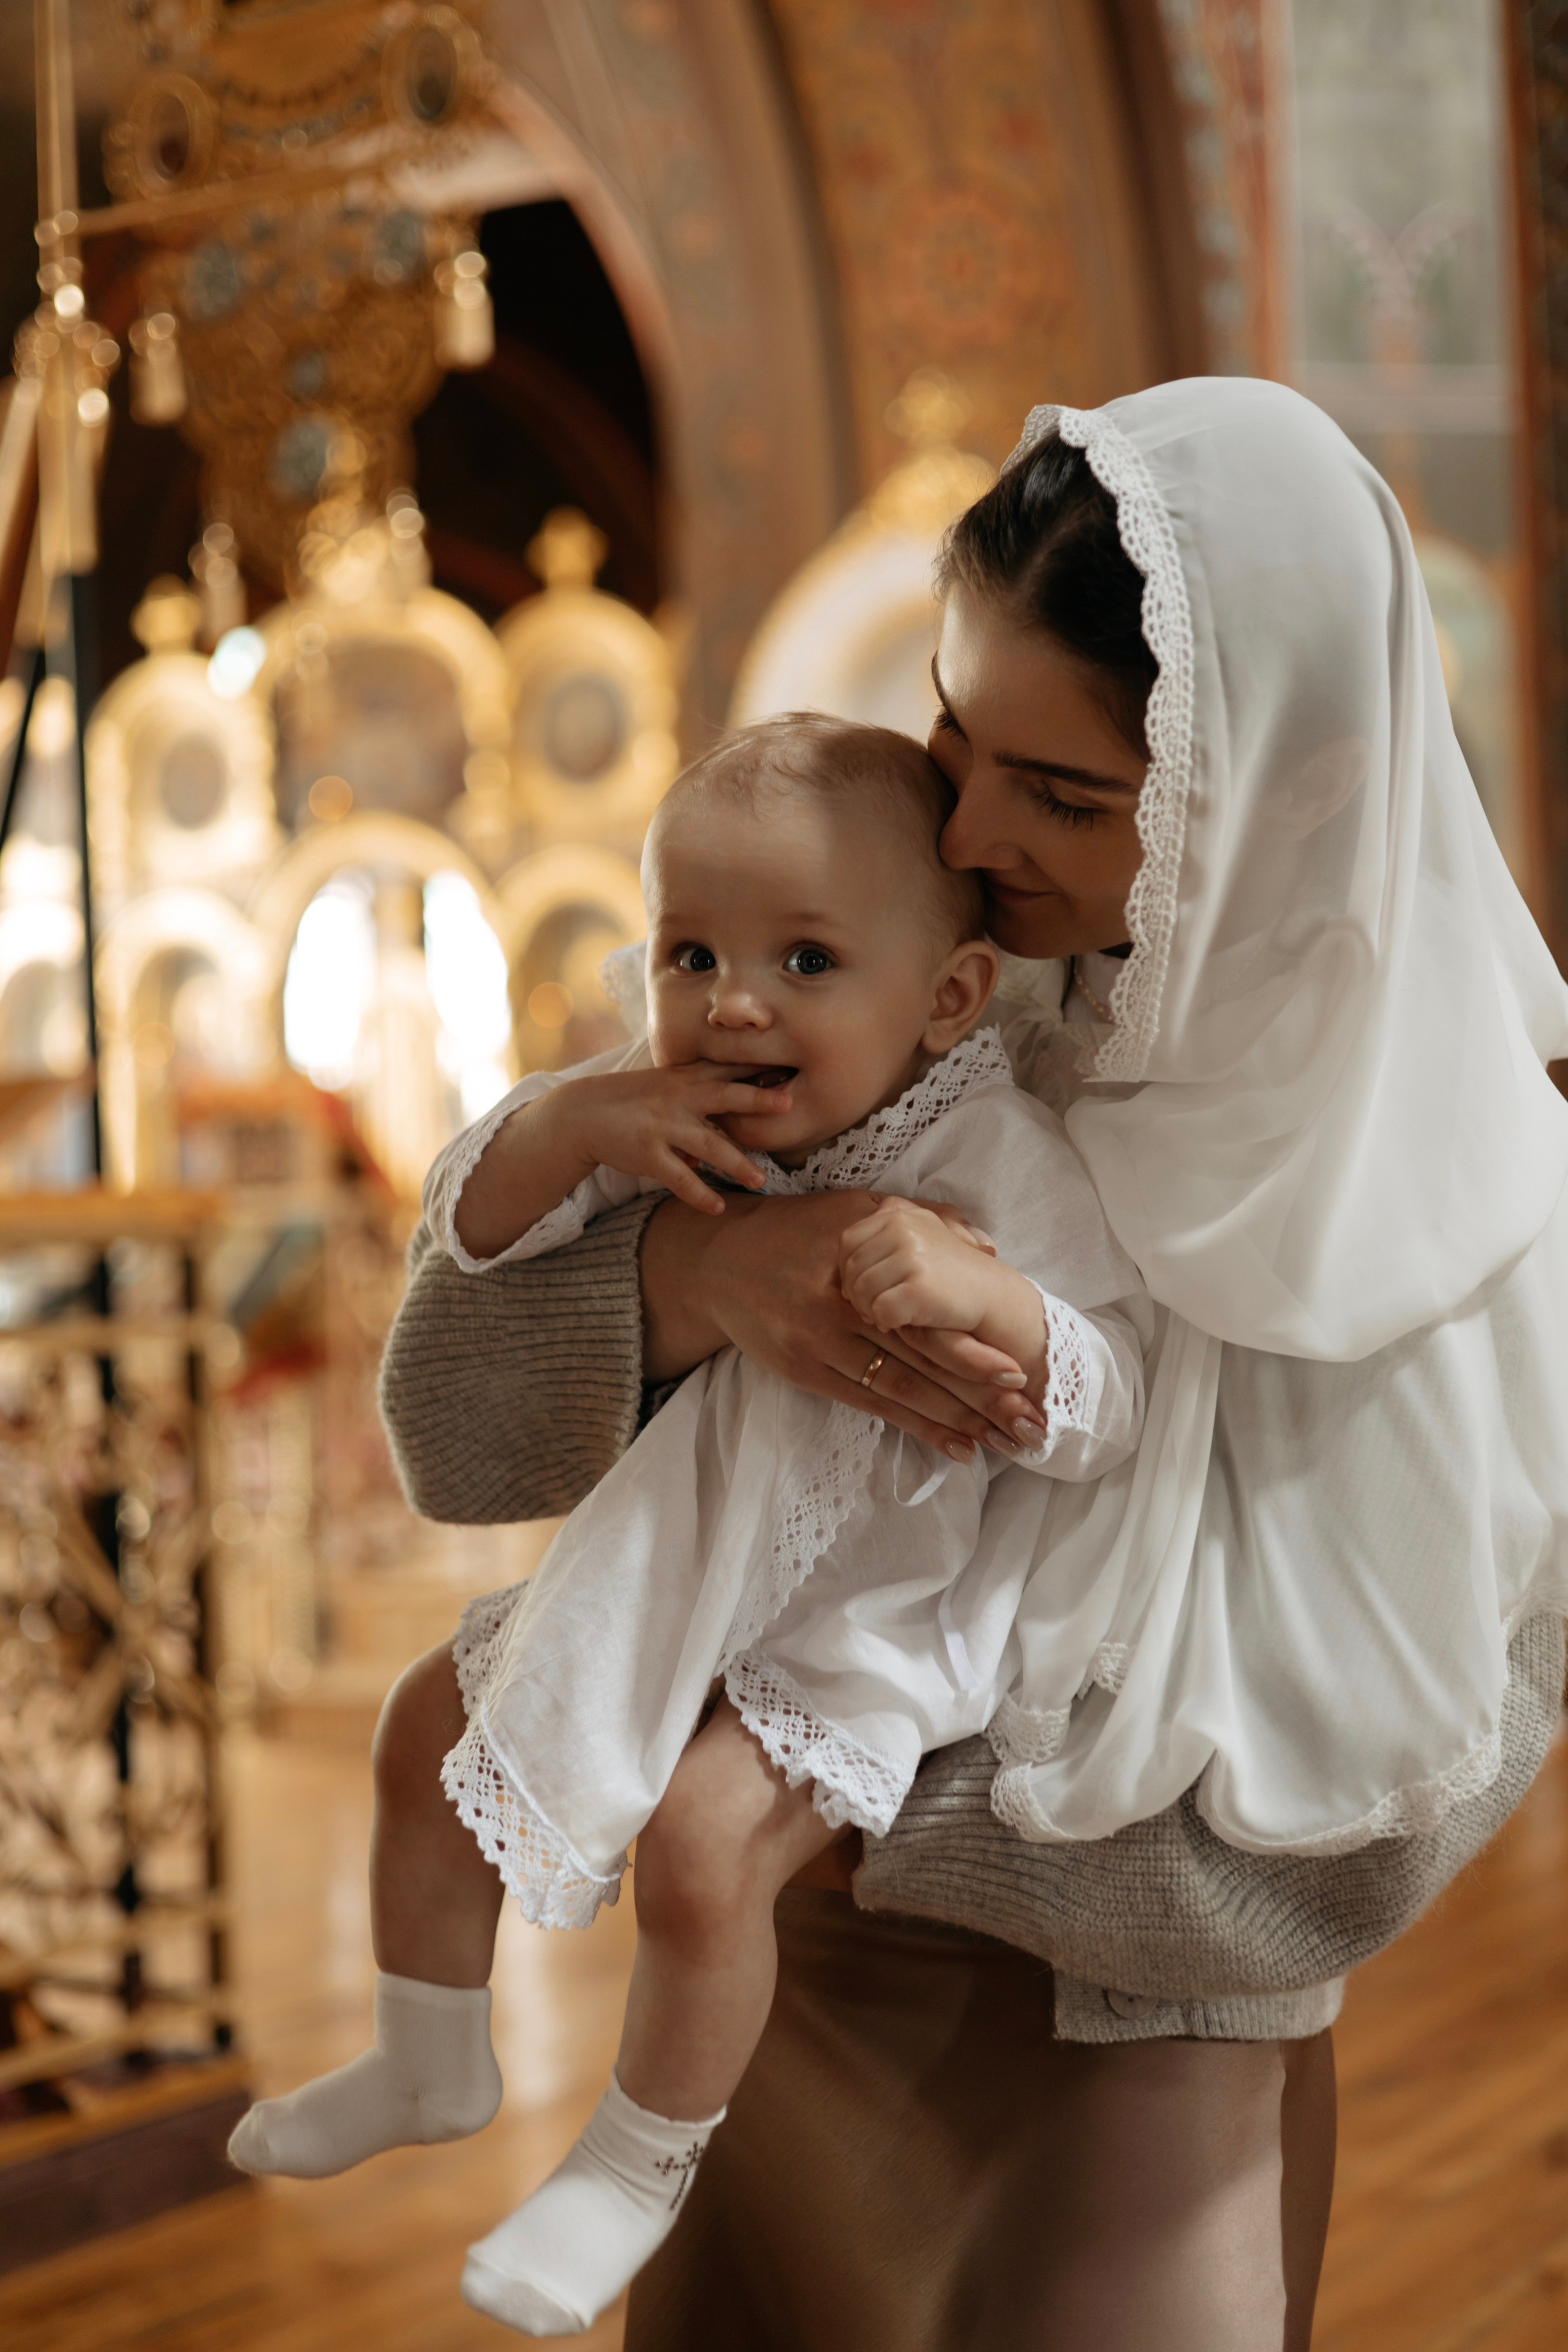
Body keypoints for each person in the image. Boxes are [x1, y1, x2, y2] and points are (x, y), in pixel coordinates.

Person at [374, 377, 1568, 2350]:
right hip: (768, 2009)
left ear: (1297, 780)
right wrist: (705, 1269)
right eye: (955, 737)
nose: (973, 828)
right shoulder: (922, 986)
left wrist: (771, 1776)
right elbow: (453, 1430)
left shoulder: (1474, 1201)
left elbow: (1347, 1848)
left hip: (1125, 2068)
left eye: (1070, 798)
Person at [228, 714, 1153, 2337]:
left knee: (707, 1847)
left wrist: (996, 1300)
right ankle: (426, 2054)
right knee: (419, 1725)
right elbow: (479, 1234)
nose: (735, 1000)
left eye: (805, 958)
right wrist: (577, 1127)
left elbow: (1116, 1399)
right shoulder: (688, 1111)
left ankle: (635, 2167)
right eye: (690, 951)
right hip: (681, 1567)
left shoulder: (998, 1149)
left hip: (886, 1612)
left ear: (945, 997)